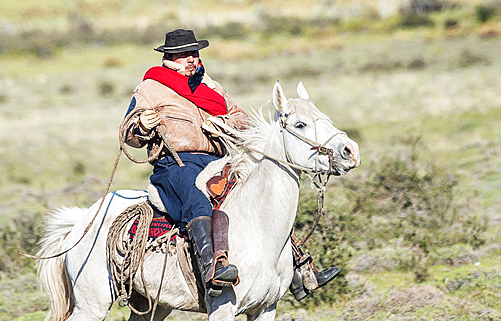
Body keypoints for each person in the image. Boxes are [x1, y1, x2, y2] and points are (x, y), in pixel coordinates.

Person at [120, 28, 340, 301]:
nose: (191, 59)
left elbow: (242, 119)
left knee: (259, 196)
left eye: (194, 53)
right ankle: (211, 269)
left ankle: (299, 268)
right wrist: (141, 126)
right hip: (175, 165)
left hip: (216, 160)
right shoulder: (150, 89)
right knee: (198, 201)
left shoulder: (209, 87)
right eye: (183, 55)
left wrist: (225, 123)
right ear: (169, 58)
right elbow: (129, 133)